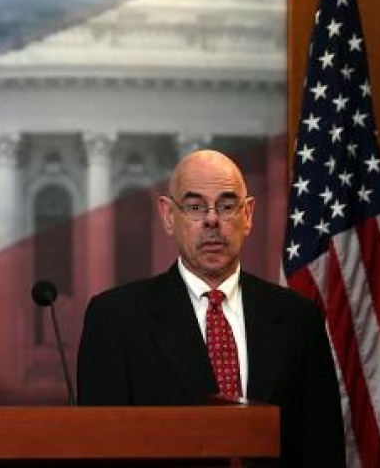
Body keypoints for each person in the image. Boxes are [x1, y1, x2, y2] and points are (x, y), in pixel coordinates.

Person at [76, 149, 345, 467]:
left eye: (227, 206)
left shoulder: (299, 318)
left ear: (247, 216)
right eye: (194, 207)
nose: (212, 219)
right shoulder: (116, 318)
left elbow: (321, 449)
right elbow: (102, 452)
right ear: (168, 216)